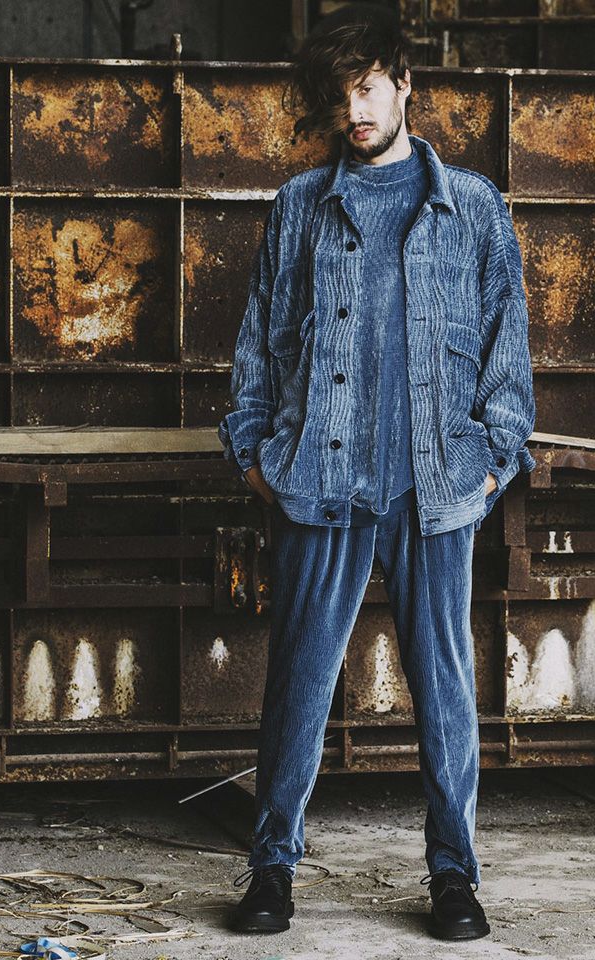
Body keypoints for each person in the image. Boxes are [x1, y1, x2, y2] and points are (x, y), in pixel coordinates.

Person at [217, 1, 536, 941]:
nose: (352, 111)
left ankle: (454, 877)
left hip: (438, 486)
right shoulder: (299, 207)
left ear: (404, 83)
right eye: (337, 96)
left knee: (445, 689)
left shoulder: (473, 207)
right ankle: (272, 868)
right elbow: (261, 344)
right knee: (299, 684)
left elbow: (507, 351)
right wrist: (256, 458)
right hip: (321, 480)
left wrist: (491, 465)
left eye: (365, 88)